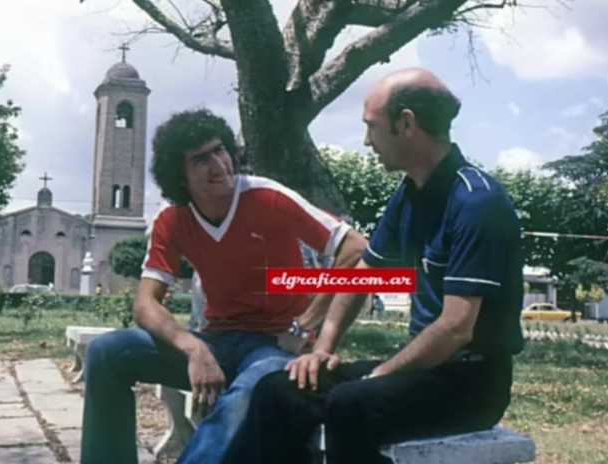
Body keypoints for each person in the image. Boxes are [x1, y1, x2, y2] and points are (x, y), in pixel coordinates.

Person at [223, 68, 525, 464]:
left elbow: (455, 328)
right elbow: (362, 275)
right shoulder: (410, 194)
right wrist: (322, 350)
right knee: (280, 389)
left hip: (473, 383)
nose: (367, 141)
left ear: (406, 124)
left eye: (371, 126)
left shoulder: (477, 203)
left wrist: (382, 375)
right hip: (424, 371)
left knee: (351, 405)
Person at [79, 109, 367, 464]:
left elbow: (355, 248)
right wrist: (194, 349)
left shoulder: (268, 197)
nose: (219, 164)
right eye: (201, 159)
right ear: (180, 176)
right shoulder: (172, 219)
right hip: (214, 341)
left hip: (275, 347)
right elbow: (145, 304)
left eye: (220, 150)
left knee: (248, 394)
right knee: (107, 352)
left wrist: (305, 323)